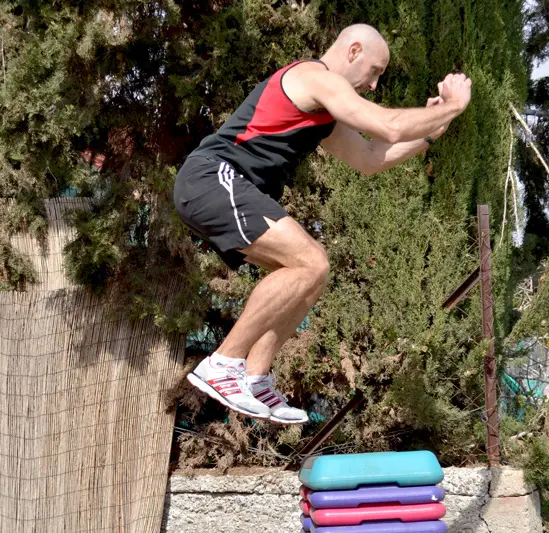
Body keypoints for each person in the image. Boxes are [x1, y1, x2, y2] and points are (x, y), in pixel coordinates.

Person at [174, 23, 472, 425]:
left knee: (310, 274)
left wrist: (434, 130)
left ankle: (256, 378)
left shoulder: (324, 112)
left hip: (223, 187)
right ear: (352, 52)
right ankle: (223, 364)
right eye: (374, 71)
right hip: (213, 178)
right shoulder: (315, 79)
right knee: (311, 261)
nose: (374, 84)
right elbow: (387, 126)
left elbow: (370, 158)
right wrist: (453, 106)